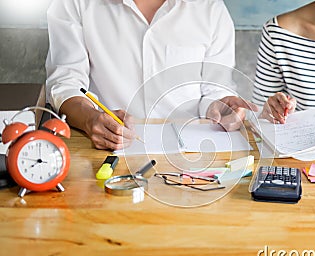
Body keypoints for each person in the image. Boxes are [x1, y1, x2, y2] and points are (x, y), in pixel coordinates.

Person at [46, 0, 257, 150]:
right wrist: (89, 119)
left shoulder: (211, 9)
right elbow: (66, 82)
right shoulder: (73, 4)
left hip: (189, 156)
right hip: (105, 151)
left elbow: (215, 89)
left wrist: (218, 107)